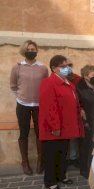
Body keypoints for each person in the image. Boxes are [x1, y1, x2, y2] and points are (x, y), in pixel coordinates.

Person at [39, 55, 84, 189]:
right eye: (63, 66)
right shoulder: (48, 83)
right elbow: (49, 107)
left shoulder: (68, 82)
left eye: (68, 66)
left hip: (66, 126)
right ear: (53, 68)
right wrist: (55, 126)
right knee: (52, 155)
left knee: (63, 153)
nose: (67, 69)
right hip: (54, 128)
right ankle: (50, 181)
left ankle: (61, 175)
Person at [10, 40, 48, 175]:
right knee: (24, 133)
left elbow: (45, 87)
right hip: (22, 105)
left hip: (39, 106)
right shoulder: (17, 67)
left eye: (33, 49)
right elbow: (13, 86)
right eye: (29, 49)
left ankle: (40, 161)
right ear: (24, 50)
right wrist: (21, 97)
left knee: (40, 133)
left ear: (37, 50)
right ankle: (25, 162)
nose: (31, 51)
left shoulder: (43, 68)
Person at [65, 59, 82, 168]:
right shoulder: (58, 79)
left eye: (70, 65)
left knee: (75, 136)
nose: (68, 67)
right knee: (64, 137)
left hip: (76, 110)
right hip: (64, 111)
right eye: (65, 65)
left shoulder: (78, 79)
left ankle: (74, 157)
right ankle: (65, 159)